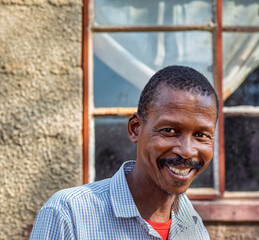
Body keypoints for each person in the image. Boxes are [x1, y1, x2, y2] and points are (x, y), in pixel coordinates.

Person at [30, 65, 218, 239]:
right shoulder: (68, 214)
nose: (186, 151)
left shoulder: (193, 227)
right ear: (135, 128)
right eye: (169, 131)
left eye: (201, 135)